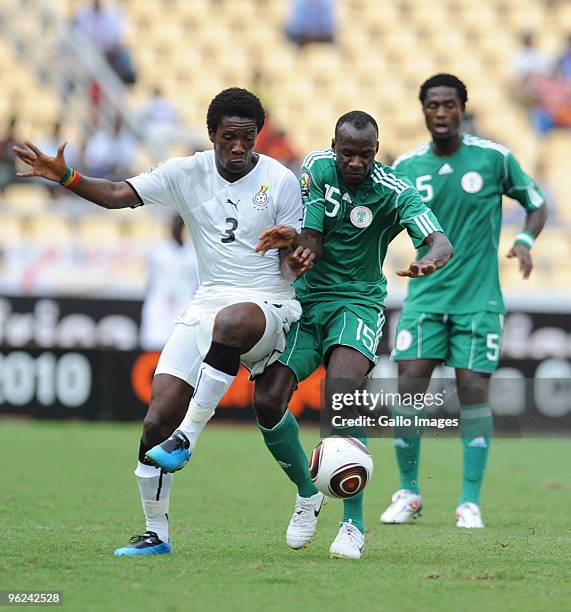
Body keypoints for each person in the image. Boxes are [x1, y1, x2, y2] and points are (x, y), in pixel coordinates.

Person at [13, 87, 314, 557]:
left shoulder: (280, 180)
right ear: (211, 134)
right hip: (205, 305)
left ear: (257, 137)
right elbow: (117, 194)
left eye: (248, 139)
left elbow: (297, 260)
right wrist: (67, 176)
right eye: (229, 138)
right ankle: (156, 533)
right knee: (155, 419)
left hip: (268, 304)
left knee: (232, 325)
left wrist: (293, 245)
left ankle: (188, 437)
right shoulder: (185, 172)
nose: (239, 148)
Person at [249, 111, 452, 559]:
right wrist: (294, 245)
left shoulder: (394, 189)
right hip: (307, 302)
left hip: (358, 303)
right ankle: (308, 492)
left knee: (341, 398)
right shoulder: (318, 168)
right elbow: (314, 241)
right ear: (334, 147)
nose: (356, 162)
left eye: (365, 154)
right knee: (266, 401)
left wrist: (430, 258)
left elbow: (439, 239)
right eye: (348, 153)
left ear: (376, 152)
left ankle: (353, 526)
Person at [381, 74, 547, 529]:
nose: (440, 113)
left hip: (478, 302)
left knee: (474, 392)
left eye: (449, 105)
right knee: (408, 390)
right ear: (423, 111)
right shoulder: (409, 168)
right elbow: (381, 223)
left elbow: (536, 202)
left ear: (462, 109)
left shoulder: (493, 159)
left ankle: (468, 502)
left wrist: (526, 240)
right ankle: (408, 493)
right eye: (432, 105)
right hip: (424, 299)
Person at [139, 215, 199, 351]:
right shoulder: (158, 250)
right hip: (160, 305)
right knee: (154, 343)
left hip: (184, 307)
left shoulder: (193, 253)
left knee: (179, 346)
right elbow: (150, 280)